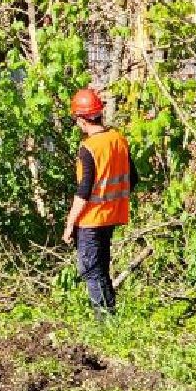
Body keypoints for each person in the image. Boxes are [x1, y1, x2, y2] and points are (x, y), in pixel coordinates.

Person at [63, 86, 134, 317]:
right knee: (101, 267)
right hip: (112, 216)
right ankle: (110, 315)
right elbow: (133, 178)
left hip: (92, 219)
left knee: (90, 269)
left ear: (82, 120)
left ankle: (104, 320)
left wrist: (70, 223)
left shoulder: (88, 148)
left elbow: (83, 191)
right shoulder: (118, 139)